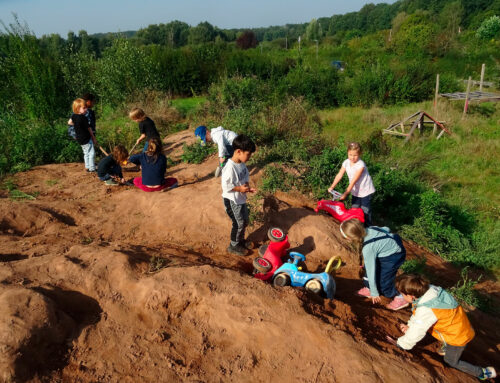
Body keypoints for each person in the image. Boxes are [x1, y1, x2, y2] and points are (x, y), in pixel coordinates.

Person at [388, 274, 496, 381]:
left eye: (402, 294)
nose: (401, 296)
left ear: (411, 296)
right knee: (433, 328)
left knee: (451, 361)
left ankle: (483, 372)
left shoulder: (428, 308)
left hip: (457, 337)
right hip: (458, 326)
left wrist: (401, 344)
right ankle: (447, 345)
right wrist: (410, 326)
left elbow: (418, 329)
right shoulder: (430, 292)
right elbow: (418, 314)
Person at [340, 218, 408, 310]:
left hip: (394, 256)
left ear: (350, 238)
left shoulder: (368, 248)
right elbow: (387, 229)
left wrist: (375, 293)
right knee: (367, 270)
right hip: (387, 249)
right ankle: (369, 288)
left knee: (384, 285)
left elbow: (371, 271)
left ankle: (401, 296)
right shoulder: (369, 229)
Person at [221, 134, 256, 256]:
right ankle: (233, 245)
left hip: (240, 199)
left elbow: (245, 176)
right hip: (232, 200)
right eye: (248, 154)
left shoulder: (241, 164)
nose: (250, 157)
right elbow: (226, 186)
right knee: (238, 223)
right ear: (238, 151)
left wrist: (246, 187)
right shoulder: (229, 168)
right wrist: (239, 188)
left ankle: (240, 240)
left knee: (245, 221)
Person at [328, 142, 375, 225]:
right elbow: (339, 175)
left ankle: (368, 228)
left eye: (355, 155)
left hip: (365, 191)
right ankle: (355, 226)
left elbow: (353, 181)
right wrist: (332, 187)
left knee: (365, 210)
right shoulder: (346, 162)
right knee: (354, 208)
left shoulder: (361, 165)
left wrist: (345, 194)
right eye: (350, 155)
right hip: (355, 190)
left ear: (359, 154)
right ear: (347, 153)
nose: (352, 157)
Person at [70, 98, 98, 173]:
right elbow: (89, 129)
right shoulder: (83, 118)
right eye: (84, 108)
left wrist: (77, 125)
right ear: (78, 108)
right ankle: (92, 168)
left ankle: (87, 167)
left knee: (86, 153)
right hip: (86, 138)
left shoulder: (74, 116)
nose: (86, 109)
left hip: (79, 138)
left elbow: (69, 122)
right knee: (91, 153)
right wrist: (94, 138)